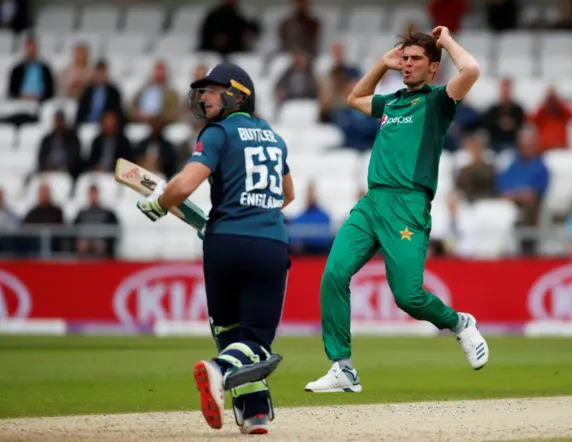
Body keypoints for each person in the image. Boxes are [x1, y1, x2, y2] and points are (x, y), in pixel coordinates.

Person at [304, 27, 489, 394]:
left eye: (415, 59)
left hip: (408, 206)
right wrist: (381, 64)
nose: (406, 64)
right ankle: (342, 368)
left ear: (433, 67)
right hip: (372, 202)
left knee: (408, 297)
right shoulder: (392, 102)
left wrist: (446, 40)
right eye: (404, 58)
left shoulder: (439, 101)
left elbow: (471, 71)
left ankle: (460, 323)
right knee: (333, 275)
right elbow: (355, 97)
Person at [136, 63, 295, 434]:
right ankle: (224, 376)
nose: (203, 96)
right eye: (202, 90)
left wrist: (159, 204)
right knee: (255, 341)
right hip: (268, 241)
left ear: (238, 94)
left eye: (212, 89)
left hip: (222, 242)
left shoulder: (218, 133)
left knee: (229, 331)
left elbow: (180, 189)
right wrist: (255, 211)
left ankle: (252, 408)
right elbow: (287, 195)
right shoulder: (273, 136)